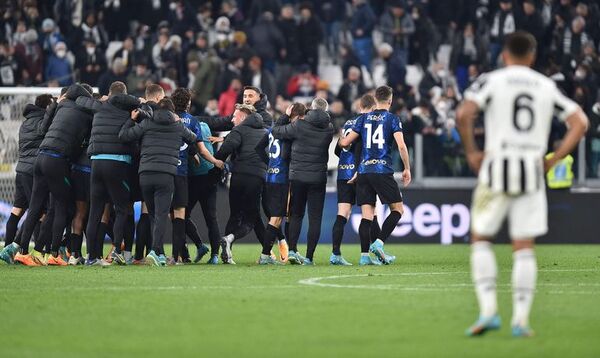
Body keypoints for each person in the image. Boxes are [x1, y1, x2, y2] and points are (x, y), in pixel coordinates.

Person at [456, 31, 588, 337]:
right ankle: (521, 320)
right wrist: (552, 160)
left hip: (496, 165)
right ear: (532, 57)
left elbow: (464, 113)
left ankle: (489, 311)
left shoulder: (492, 80)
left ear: (504, 55)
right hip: (531, 168)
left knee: (481, 238)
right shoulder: (545, 85)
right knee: (524, 247)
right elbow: (580, 122)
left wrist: (473, 153)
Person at [0, 84, 94, 266]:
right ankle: (54, 254)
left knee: (34, 206)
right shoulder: (86, 113)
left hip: (40, 157)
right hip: (57, 160)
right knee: (61, 206)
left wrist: (55, 105)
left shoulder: (60, 107)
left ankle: (22, 252)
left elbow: (43, 130)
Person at [119, 98, 197, 266]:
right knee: (161, 215)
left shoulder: (147, 123)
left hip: (145, 174)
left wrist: (131, 120)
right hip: (165, 175)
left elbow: (124, 136)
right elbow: (193, 139)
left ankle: (159, 252)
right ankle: (155, 251)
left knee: (153, 215)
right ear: (173, 112)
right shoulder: (177, 125)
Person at [339, 85, 411, 265]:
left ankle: (364, 257)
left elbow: (345, 143)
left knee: (367, 215)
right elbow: (401, 146)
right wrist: (407, 168)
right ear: (390, 100)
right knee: (398, 209)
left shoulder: (363, 119)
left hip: (363, 172)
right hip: (381, 170)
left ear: (375, 99)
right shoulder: (393, 119)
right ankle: (379, 243)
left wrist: (340, 137)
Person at [76, 81, 142, 265]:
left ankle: (92, 257)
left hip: (96, 162)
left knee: (95, 211)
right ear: (125, 95)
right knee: (121, 209)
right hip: (117, 163)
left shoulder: (99, 107)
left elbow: (80, 99)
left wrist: (105, 99)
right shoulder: (129, 110)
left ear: (109, 93)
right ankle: (115, 251)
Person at [271, 98, 334, 265]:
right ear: (326, 110)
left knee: (296, 215)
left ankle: (292, 250)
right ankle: (309, 257)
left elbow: (276, 131)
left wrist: (285, 116)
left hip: (297, 176)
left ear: (311, 109)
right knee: (315, 218)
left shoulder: (299, 125)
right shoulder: (329, 128)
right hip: (318, 178)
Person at [170, 88, 224, 264]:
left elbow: (196, 150)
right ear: (188, 104)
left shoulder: (166, 119)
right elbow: (201, 148)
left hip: (187, 177)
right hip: (207, 176)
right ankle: (214, 255)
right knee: (211, 217)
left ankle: (184, 252)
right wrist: (216, 161)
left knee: (179, 215)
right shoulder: (198, 123)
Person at [1, 94, 53, 255]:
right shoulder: (42, 122)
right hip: (33, 172)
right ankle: (26, 252)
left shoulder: (26, 123)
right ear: (47, 107)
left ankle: (7, 249)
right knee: (38, 211)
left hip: (21, 170)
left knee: (17, 210)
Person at [216, 104, 268, 264]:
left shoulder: (239, 130)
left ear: (244, 117)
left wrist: (218, 163)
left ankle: (227, 254)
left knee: (235, 215)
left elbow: (225, 150)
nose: (232, 119)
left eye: (235, 116)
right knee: (250, 220)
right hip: (256, 177)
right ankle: (229, 239)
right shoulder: (266, 131)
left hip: (238, 177)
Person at [255, 103, 306, 265]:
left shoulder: (272, 131)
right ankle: (265, 256)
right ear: (298, 116)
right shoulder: (288, 133)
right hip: (282, 179)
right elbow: (285, 154)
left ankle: (291, 251)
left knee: (279, 217)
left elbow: (258, 148)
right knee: (277, 218)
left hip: (270, 178)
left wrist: (270, 163)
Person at [331, 94, 376, 266]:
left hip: (343, 173)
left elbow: (337, 149)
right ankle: (368, 254)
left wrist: (346, 161)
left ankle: (335, 254)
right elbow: (364, 148)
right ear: (372, 108)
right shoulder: (368, 122)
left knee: (342, 214)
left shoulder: (348, 123)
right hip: (361, 173)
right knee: (371, 214)